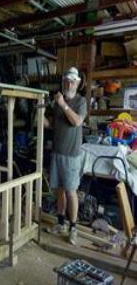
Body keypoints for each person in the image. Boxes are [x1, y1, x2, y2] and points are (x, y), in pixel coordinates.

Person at [45, 67, 87, 245]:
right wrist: (40, 116)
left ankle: (73, 228)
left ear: (77, 84)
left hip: (71, 155)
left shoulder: (80, 101)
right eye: (66, 81)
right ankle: (61, 224)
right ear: (63, 83)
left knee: (71, 192)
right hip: (57, 153)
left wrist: (63, 104)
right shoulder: (56, 102)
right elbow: (52, 124)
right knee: (59, 191)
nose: (69, 84)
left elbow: (77, 121)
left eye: (73, 81)